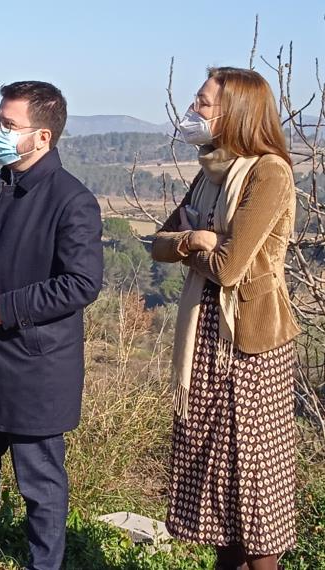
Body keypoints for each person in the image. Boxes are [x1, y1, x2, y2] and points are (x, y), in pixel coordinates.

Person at [152, 67, 300, 570]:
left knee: (256, 497)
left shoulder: (268, 172)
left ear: (235, 112)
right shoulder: (211, 170)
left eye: (204, 102)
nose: (193, 110)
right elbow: (159, 244)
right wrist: (199, 240)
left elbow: (231, 267)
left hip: (252, 345)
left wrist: (199, 241)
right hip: (208, 341)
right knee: (220, 497)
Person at [0, 81, 103, 570]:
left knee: (40, 484)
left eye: (7, 124)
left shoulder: (72, 200)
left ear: (42, 137)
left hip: (38, 366)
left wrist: (2, 309)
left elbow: (81, 284)